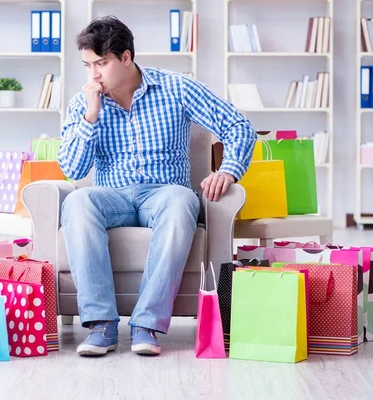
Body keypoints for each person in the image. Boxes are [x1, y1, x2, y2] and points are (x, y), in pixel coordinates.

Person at [57, 16, 256, 357]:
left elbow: (238, 125)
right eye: (88, 65)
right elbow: (72, 168)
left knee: (181, 202)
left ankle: (146, 324)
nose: (93, 75)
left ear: (126, 57)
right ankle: (101, 325)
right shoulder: (84, 104)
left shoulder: (176, 88)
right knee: (77, 202)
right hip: (113, 196)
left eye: (101, 64)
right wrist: (91, 117)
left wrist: (229, 170)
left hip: (165, 193)